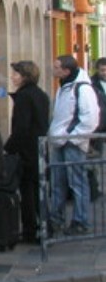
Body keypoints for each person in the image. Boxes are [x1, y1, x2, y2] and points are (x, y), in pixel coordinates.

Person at [48, 55, 97, 236]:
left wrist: (72, 138)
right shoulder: (64, 86)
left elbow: (90, 118)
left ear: (66, 71)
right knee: (58, 183)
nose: (53, 70)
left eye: (57, 67)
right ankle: (56, 218)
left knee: (77, 183)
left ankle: (80, 220)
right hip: (60, 140)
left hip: (72, 143)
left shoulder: (82, 88)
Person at [4, 61, 50, 242]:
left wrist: (8, 148)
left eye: (16, 74)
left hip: (27, 150)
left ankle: (30, 229)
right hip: (38, 148)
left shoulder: (24, 97)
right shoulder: (41, 95)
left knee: (28, 191)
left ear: (25, 76)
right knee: (39, 190)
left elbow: (21, 128)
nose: (12, 77)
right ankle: (45, 227)